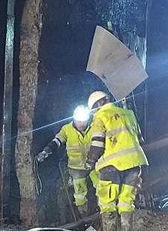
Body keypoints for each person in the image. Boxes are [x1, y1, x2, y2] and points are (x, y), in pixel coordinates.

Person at [86, 91, 148, 231]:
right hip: (134, 163)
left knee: (107, 202)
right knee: (126, 201)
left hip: (111, 166)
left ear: (96, 106)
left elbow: (97, 144)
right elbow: (140, 139)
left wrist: (89, 162)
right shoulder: (129, 113)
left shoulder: (100, 117)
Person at [37, 104, 98, 219]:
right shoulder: (67, 129)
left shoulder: (94, 127)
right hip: (76, 168)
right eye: (79, 121)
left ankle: (103, 213)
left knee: (101, 187)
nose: (81, 124)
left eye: (83, 121)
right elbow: (57, 141)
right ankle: (83, 217)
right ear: (74, 119)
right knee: (80, 195)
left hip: (94, 165)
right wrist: (46, 151)